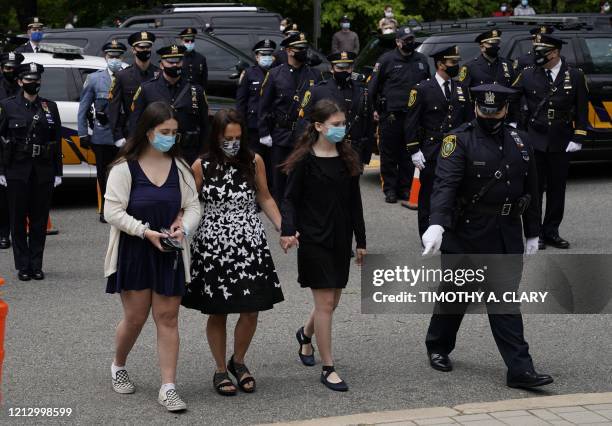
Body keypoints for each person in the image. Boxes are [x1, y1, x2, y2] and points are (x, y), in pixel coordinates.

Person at [421, 84, 553, 390]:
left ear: (505, 110)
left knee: (504, 301)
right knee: (456, 295)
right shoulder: (459, 139)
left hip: (506, 231)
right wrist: (438, 223)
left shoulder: (519, 140)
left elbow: (531, 188)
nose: (490, 116)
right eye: (485, 110)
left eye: (496, 111)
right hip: (467, 232)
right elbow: (445, 185)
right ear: (476, 108)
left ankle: (520, 370)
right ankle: (438, 345)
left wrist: (533, 231)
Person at [103, 101, 200, 411]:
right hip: (135, 250)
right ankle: (118, 365)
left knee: (168, 318)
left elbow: (194, 205)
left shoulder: (181, 167)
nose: (170, 138)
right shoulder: (124, 167)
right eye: (164, 132)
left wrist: (182, 226)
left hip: (168, 250)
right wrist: (145, 232)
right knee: (135, 318)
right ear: (147, 132)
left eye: (174, 132)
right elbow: (112, 212)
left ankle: (168, 387)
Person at [182, 109, 284, 395]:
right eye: (228, 138)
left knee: (251, 309)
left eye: (238, 137)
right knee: (218, 311)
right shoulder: (201, 165)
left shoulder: (254, 160)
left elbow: (264, 196)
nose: (234, 143)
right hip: (213, 244)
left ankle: (238, 362)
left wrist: (282, 228)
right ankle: (219, 369)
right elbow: (189, 204)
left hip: (249, 242)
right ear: (216, 137)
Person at [281, 99, 366, 392]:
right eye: (336, 125)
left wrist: (361, 241)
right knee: (326, 304)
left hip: (341, 237)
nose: (342, 129)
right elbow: (289, 199)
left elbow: (355, 202)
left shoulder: (347, 157)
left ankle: (305, 335)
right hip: (314, 238)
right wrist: (288, 230)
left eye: (344, 124)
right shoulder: (304, 159)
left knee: (332, 301)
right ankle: (329, 367)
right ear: (318, 126)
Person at [511, 33, 588, 249]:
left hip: (561, 140)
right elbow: (511, 98)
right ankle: (535, 233)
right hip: (534, 139)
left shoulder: (574, 75)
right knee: (534, 189)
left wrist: (578, 136)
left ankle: (551, 231)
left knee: (557, 188)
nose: (536, 56)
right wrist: (516, 125)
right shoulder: (527, 74)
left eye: (541, 52)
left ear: (554, 52)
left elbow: (582, 109)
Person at [0, 63, 62, 281]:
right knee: (17, 220)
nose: (32, 83)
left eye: (36, 80)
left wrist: (58, 171)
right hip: (17, 170)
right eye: (28, 79)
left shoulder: (49, 106)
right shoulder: (7, 106)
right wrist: (1, 170)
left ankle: (36, 264)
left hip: (43, 170)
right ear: (19, 81)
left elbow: (56, 140)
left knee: (39, 220)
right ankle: (22, 265)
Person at [403, 46, 474, 234]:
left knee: (455, 191)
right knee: (428, 194)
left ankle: (450, 231)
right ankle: (426, 232)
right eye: (452, 63)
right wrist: (414, 151)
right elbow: (411, 122)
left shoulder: (462, 88)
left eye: (456, 62)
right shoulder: (422, 89)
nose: (456, 66)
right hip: (432, 150)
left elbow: (469, 121)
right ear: (440, 64)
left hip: (456, 150)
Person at [368, 26, 430, 204]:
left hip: (414, 117)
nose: (410, 42)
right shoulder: (386, 60)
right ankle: (390, 189)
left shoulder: (421, 60)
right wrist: (374, 110)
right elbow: (373, 88)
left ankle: (405, 188)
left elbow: (427, 86)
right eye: (406, 40)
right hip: (391, 115)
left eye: (412, 39)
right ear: (398, 42)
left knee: (408, 154)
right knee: (389, 154)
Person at [258, 32, 322, 203]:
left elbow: (321, 105)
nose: (304, 52)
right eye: (300, 49)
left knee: (305, 175)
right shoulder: (274, 74)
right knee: (280, 178)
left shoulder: (315, 75)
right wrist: (264, 132)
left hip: (306, 134)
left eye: (305, 48)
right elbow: (263, 106)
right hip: (281, 134)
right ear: (289, 51)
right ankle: (282, 216)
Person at [129, 44, 209, 166]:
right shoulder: (147, 89)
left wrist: (201, 155)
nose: (175, 65)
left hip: (187, 153)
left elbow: (205, 125)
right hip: (156, 151)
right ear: (161, 64)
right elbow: (135, 123)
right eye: (170, 62)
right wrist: (138, 151)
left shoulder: (195, 90)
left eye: (178, 61)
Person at [78, 40, 127, 223]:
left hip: (124, 135)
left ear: (123, 58)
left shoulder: (128, 76)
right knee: (103, 174)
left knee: (125, 173)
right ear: (105, 57)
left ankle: (123, 207)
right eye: (111, 56)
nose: (114, 59)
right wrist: (83, 133)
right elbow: (83, 108)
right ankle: (105, 209)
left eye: (118, 56)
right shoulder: (94, 79)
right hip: (102, 135)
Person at [299, 51, 374, 166]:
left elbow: (368, 123)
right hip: (326, 150)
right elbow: (304, 122)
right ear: (331, 68)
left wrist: (366, 155)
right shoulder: (318, 91)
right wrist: (307, 150)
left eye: (347, 67)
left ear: (352, 68)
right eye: (339, 67)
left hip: (354, 151)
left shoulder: (362, 91)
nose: (344, 71)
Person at [108, 31, 159, 150]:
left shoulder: (159, 75)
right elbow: (113, 107)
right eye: (141, 47)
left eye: (148, 47)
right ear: (133, 50)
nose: (145, 50)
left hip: (156, 132)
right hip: (131, 133)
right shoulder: (122, 76)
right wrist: (118, 136)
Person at [236, 39, 277, 187]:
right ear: (256, 56)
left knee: (272, 163)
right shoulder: (249, 74)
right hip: (253, 127)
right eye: (263, 54)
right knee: (253, 162)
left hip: (273, 125)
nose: (267, 57)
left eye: (269, 54)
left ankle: (271, 193)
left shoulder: (278, 73)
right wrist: (241, 126)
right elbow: (241, 103)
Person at [0, 52, 25, 250]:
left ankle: (17, 232)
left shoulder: (24, 86)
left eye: (13, 68)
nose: (10, 71)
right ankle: (3, 234)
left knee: (16, 194)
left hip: (18, 147)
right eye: (7, 68)